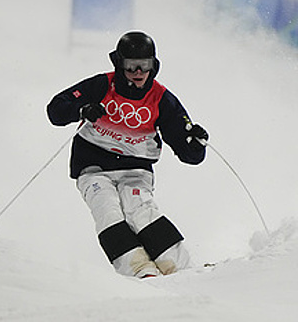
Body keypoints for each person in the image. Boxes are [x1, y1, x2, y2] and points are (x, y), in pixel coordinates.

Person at [46, 31, 208, 278]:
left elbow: (189, 155)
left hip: (135, 170)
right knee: (107, 209)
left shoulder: (161, 99)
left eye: (144, 66)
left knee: (140, 208)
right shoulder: (102, 85)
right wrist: (81, 110)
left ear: (154, 66)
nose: (138, 73)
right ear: (118, 63)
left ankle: (179, 267)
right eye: (131, 66)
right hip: (93, 166)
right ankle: (137, 268)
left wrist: (196, 144)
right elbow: (55, 110)